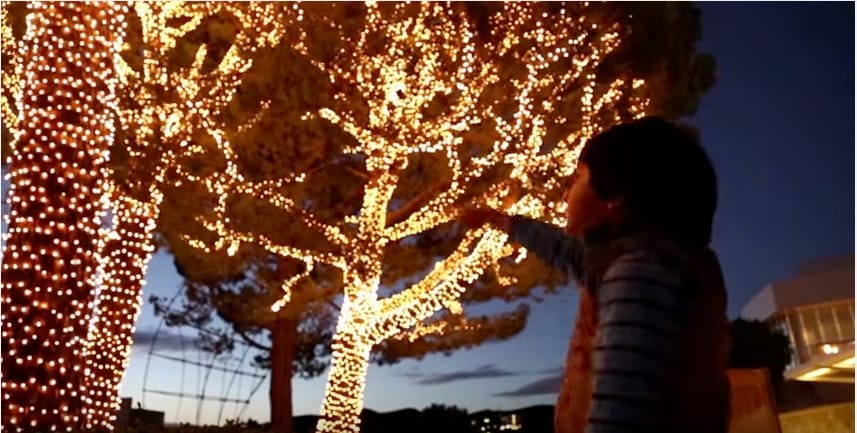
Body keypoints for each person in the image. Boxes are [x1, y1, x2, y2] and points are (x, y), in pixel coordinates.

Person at [461, 117, 730, 433]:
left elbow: (622, 411)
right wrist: (503, 222)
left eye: (578, 178)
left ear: (615, 196)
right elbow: (568, 253)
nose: (565, 196)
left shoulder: (637, 277)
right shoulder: (651, 264)